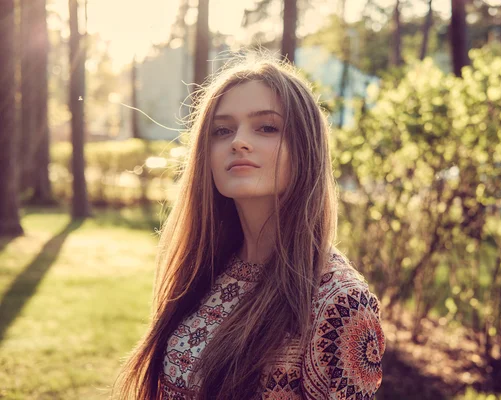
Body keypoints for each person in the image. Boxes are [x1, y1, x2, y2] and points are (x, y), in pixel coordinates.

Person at [113, 53, 385, 400]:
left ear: (305, 148)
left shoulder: (341, 302)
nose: (238, 141)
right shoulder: (206, 268)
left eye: (266, 127)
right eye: (222, 130)